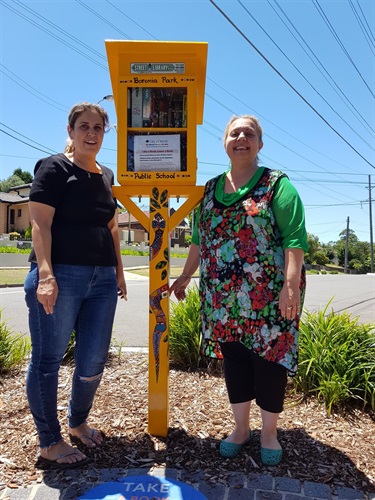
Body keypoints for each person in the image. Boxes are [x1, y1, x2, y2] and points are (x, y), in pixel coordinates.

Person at [170, 115, 308, 466]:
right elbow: (199, 242)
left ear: (259, 144)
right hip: (223, 296)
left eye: (250, 133)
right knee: (235, 359)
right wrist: (186, 276)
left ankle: (269, 433)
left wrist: (290, 287)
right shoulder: (210, 189)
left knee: (269, 360)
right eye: (235, 133)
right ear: (225, 142)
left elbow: (294, 241)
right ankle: (242, 428)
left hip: (269, 294)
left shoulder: (277, 185)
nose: (241, 137)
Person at [24, 102, 127, 469]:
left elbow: (112, 227)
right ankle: (49, 441)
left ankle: (78, 421)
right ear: (70, 131)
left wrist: (118, 270)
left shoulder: (105, 175)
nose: (91, 134)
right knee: (48, 360)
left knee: (93, 360)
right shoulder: (54, 168)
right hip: (61, 275)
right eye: (84, 126)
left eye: (98, 128)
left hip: (101, 278)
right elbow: (40, 224)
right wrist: (46, 275)